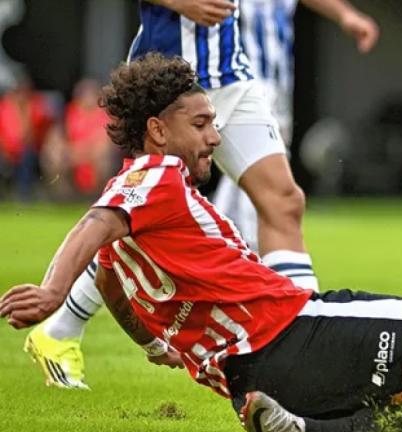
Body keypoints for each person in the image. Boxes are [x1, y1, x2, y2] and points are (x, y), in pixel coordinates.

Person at [1, 53, 402, 432]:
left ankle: (303, 431)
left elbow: (110, 282)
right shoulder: (155, 175)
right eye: (200, 124)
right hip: (289, 332)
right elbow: (93, 225)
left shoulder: (136, 214)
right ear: (157, 131)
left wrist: (152, 344)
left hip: (247, 382)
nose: (214, 138)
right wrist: (52, 291)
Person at [22, 0, 378, 389]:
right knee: (136, 217)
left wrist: (345, 14)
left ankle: (307, 338)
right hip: (170, 81)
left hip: (230, 74)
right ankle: (61, 329)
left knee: (284, 200)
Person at [213, 0, 379, 252]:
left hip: (277, 79)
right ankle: (254, 252)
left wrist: (346, 15)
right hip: (243, 77)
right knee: (260, 165)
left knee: (248, 168)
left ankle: (220, 245)